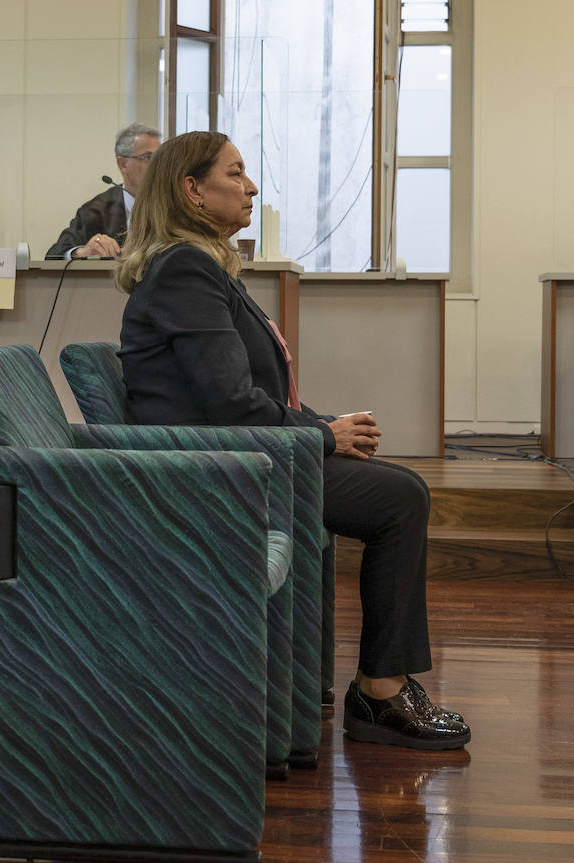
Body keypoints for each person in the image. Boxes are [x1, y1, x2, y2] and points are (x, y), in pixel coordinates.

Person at [116, 130, 470, 751]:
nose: (251, 188)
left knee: (401, 490)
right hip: (217, 468)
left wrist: (324, 426)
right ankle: (380, 692)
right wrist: (321, 435)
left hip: (242, 451)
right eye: (236, 173)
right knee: (399, 500)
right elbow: (228, 402)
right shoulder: (185, 269)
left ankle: (382, 683)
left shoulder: (199, 267)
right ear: (192, 191)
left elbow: (248, 391)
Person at [45, 123, 162, 259]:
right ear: (123, 164)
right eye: (148, 158)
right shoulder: (97, 210)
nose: (157, 165)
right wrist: (83, 252)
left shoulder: (173, 204)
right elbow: (54, 255)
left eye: (160, 158)